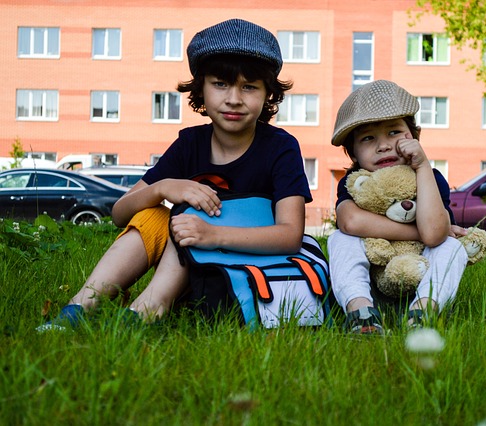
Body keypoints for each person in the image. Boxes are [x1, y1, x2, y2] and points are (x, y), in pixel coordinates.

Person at [37, 19, 311, 331]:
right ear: (201, 89)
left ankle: (148, 309)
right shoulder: (189, 144)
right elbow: (119, 213)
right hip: (189, 269)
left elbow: (290, 235)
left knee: (193, 215)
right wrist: (163, 188)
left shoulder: (281, 147)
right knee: (153, 214)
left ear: (268, 95)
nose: (234, 98)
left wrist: (212, 234)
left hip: (240, 267)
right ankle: (81, 305)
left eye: (249, 86)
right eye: (221, 84)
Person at [327, 80, 469, 334]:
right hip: (372, 287)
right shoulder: (356, 182)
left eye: (394, 132)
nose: (383, 145)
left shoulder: (429, 177)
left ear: (413, 136)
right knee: (341, 239)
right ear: (354, 154)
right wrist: (418, 231)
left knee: (451, 246)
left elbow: (436, 234)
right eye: (368, 138)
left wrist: (423, 166)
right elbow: (350, 222)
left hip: (419, 280)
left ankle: (423, 312)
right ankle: (361, 313)